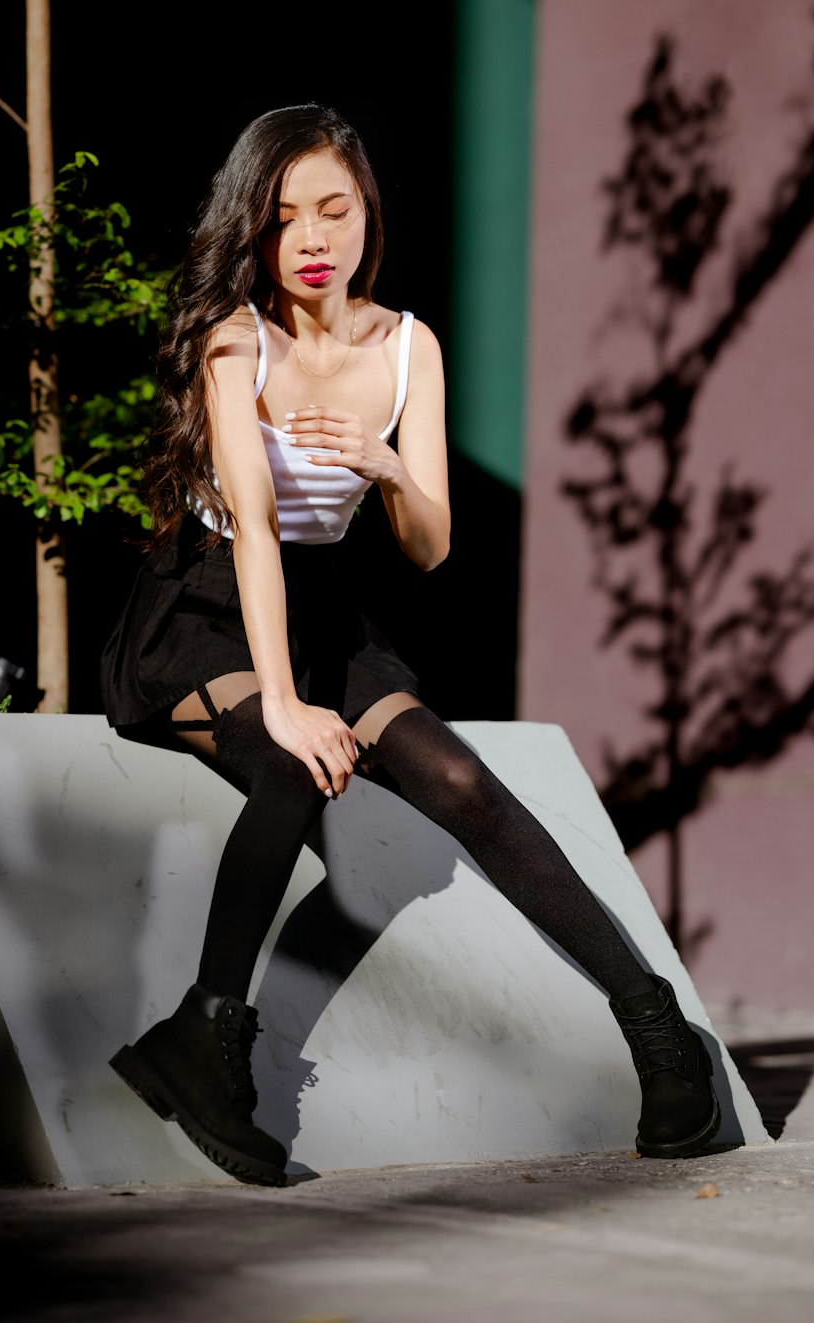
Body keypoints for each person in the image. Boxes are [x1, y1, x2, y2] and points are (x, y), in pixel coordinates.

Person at [100, 104, 721, 1186]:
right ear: (252, 228)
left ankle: (662, 1035)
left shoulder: (407, 346)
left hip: (329, 608)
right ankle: (204, 1035)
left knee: (461, 780)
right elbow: (251, 530)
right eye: (283, 215)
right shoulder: (233, 343)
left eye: (331, 209)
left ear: (364, 211)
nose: (310, 237)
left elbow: (429, 547)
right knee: (295, 767)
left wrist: (388, 467)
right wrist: (286, 704)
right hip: (203, 608)